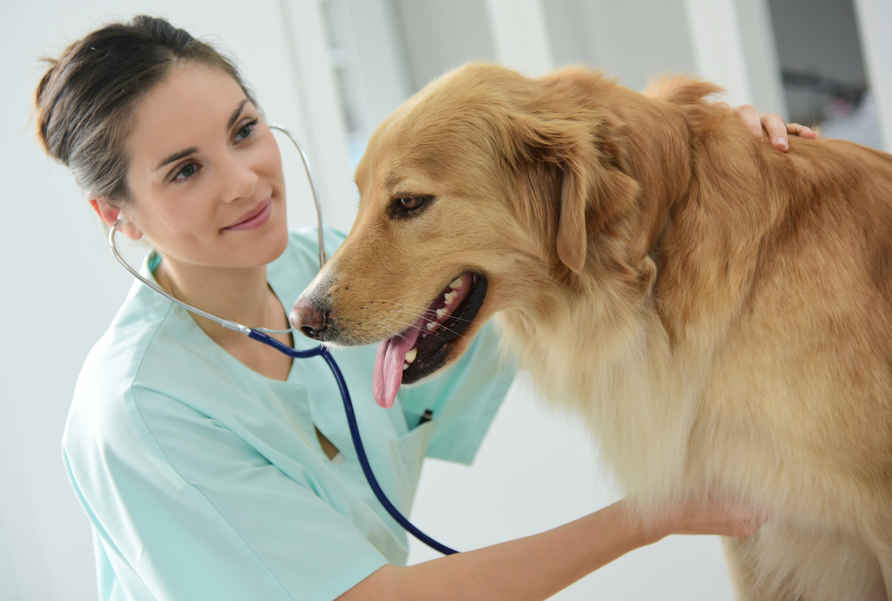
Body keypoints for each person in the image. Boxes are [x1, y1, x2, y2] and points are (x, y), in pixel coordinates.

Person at [35, 15, 816, 601]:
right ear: (118, 215)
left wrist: (706, 149)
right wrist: (649, 514)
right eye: (184, 170)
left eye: (243, 129)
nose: (242, 180)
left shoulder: (327, 272)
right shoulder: (140, 413)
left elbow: (546, 254)